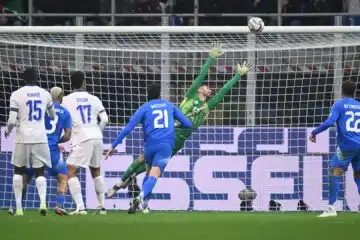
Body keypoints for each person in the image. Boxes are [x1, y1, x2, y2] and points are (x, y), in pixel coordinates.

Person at [107, 44, 253, 209]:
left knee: (149, 169)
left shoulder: (208, 106)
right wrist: (211, 58)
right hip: (168, 135)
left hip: (177, 142)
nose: (209, 88)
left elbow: (224, 91)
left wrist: (238, 75)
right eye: (206, 86)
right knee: (144, 161)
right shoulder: (190, 95)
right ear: (199, 89)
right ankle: (122, 185)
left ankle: (137, 196)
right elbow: (200, 76)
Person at [105, 83, 192, 213]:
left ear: (147, 95)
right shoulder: (169, 106)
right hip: (165, 146)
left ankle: (144, 205)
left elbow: (128, 128)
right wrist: (174, 125)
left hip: (149, 147)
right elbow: (187, 124)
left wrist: (113, 145)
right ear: (159, 94)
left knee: (148, 171)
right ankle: (140, 198)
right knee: (154, 175)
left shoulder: (144, 108)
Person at [8, 86, 72, 216]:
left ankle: (15, 206)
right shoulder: (65, 113)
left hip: (35, 142)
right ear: (60, 97)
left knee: (25, 176)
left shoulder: (41, 107)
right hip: (52, 149)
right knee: (63, 176)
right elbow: (68, 136)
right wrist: (56, 141)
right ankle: (59, 206)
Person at [6, 67, 55, 216]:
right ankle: (42, 203)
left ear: (23, 79)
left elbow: (12, 121)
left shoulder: (16, 94)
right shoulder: (45, 94)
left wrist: (8, 130)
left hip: (22, 138)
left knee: (18, 170)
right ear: (37, 78)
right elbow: (52, 115)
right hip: (40, 137)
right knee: (40, 171)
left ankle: (19, 208)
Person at [310, 80, 360, 217]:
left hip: (346, 146)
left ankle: (331, 207)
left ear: (341, 90)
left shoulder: (339, 105)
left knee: (334, 171)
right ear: (354, 91)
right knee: (358, 174)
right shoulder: (359, 106)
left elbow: (330, 122)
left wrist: (314, 132)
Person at [62, 71, 109, 215]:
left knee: (70, 170)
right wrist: (98, 132)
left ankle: (81, 208)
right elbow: (105, 119)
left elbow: (62, 119)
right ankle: (101, 207)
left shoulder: (66, 100)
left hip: (83, 137)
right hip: (97, 136)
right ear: (84, 82)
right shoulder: (94, 98)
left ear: (71, 83)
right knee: (96, 171)